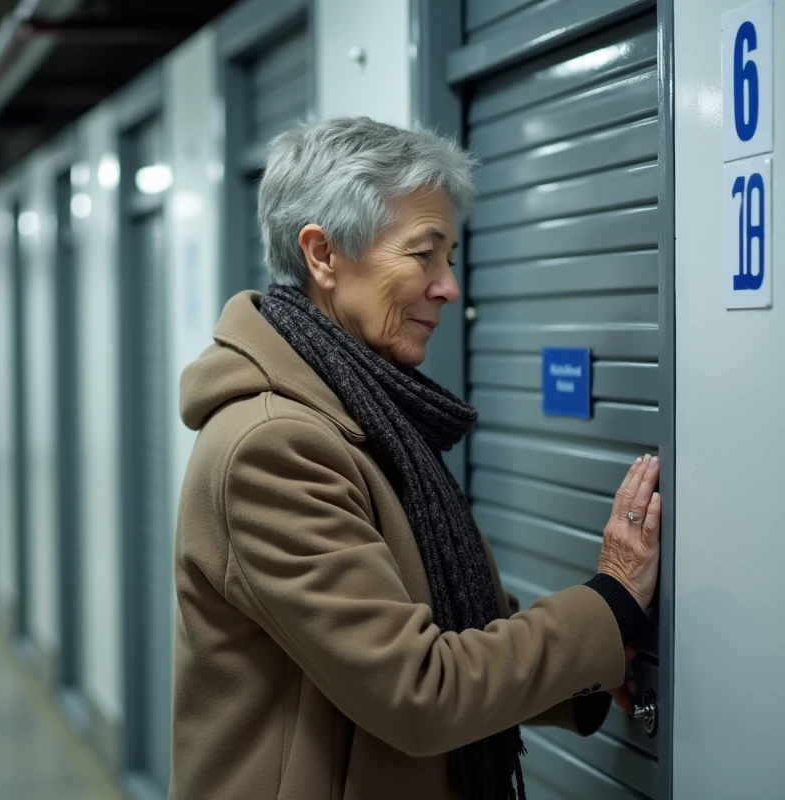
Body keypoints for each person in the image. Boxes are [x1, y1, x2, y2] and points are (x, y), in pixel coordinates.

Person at [171, 117, 661, 800]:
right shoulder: (277, 447)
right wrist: (607, 604)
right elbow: (417, 692)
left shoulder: (359, 412)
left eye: (450, 258)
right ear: (324, 255)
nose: (448, 287)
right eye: (423, 255)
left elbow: (439, 623)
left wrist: (583, 668)